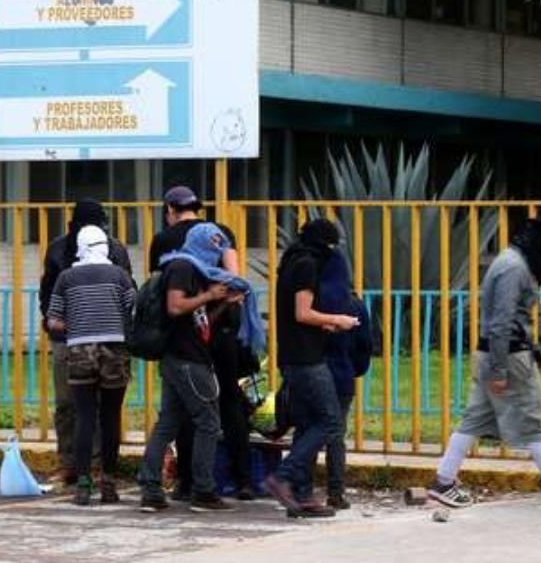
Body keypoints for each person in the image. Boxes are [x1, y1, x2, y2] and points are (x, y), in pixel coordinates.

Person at [428, 211, 541, 508]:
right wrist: (500, 369)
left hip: (498, 352)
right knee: (535, 419)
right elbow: (501, 321)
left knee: (474, 420)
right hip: (506, 355)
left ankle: (443, 482)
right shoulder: (514, 268)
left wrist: (531, 348)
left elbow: (510, 318)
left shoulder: (513, 261)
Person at [138, 223, 263, 513]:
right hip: (186, 359)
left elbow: (198, 320)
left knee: (168, 423)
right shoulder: (182, 267)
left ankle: (150, 487)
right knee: (208, 422)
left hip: (183, 355)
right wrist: (209, 295)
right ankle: (203, 491)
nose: (216, 257)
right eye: (213, 249)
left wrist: (223, 302)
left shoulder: (193, 269)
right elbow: (176, 306)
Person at [264, 219, 360, 518]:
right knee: (331, 421)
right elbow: (302, 313)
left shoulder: (293, 260)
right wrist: (338, 319)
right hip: (306, 358)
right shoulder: (306, 265)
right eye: (331, 246)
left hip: (295, 354)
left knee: (307, 424)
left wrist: (327, 324)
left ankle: (303, 496)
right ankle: (284, 476)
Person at [38, 199, 132, 485]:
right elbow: (48, 296)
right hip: (68, 339)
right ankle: (71, 463)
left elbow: (128, 291)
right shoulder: (58, 250)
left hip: (104, 338)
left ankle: (98, 466)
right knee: (69, 404)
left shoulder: (114, 250)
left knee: (99, 407)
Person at [316, 249, 373, 510]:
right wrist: (353, 370)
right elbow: (365, 347)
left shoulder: (313, 302)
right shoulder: (355, 304)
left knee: (308, 431)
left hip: (313, 373)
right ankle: (336, 492)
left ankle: (299, 487)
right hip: (342, 377)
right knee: (335, 435)